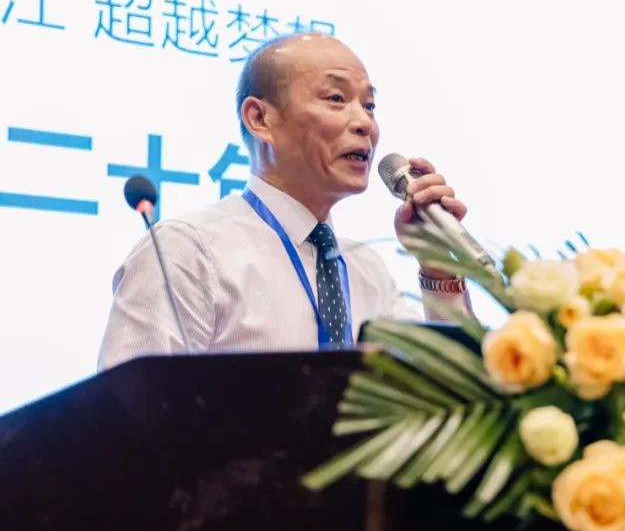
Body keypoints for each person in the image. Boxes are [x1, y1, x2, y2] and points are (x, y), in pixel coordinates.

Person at [98, 33, 470, 369]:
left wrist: (438, 267)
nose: (364, 123)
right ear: (259, 118)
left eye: (369, 106)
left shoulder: (368, 270)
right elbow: (127, 411)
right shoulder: (187, 252)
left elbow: (452, 392)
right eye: (336, 99)